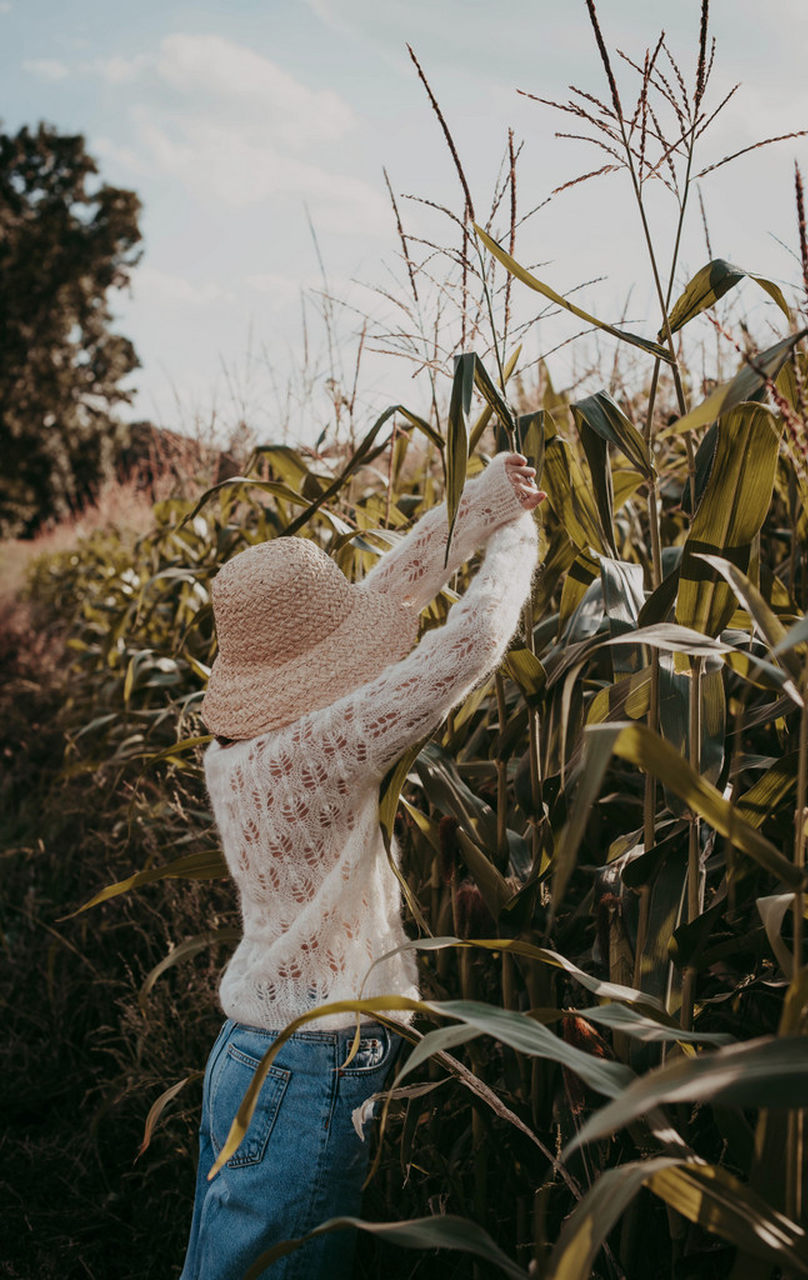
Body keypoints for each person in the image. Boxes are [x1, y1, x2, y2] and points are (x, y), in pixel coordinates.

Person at [179, 450, 545, 1280]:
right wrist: (514, 534)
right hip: (310, 1063)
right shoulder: (328, 743)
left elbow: (387, 595)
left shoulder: (239, 756)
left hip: (247, 1052)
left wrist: (481, 502)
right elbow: (470, 643)